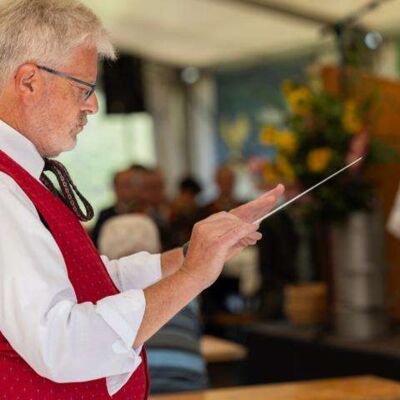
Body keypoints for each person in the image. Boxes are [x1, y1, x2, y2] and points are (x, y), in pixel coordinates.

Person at [0, 1, 284, 399]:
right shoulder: (4, 188)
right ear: (28, 81)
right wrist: (192, 277)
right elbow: (60, 343)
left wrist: (191, 255)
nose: (93, 105)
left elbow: (92, 283)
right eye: (83, 88)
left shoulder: (19, 177)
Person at [99, 215, 208, 394]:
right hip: (189, 385)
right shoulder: (186, 286)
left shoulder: (101, 294)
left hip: (134, 389)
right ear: (158, 247)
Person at [91, 165, 148, 247]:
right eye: (123, 185)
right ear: (114, 187)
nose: (125, 190)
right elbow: (96, 244)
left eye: (129, 185)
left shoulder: (146, 212)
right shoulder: (105, 215)